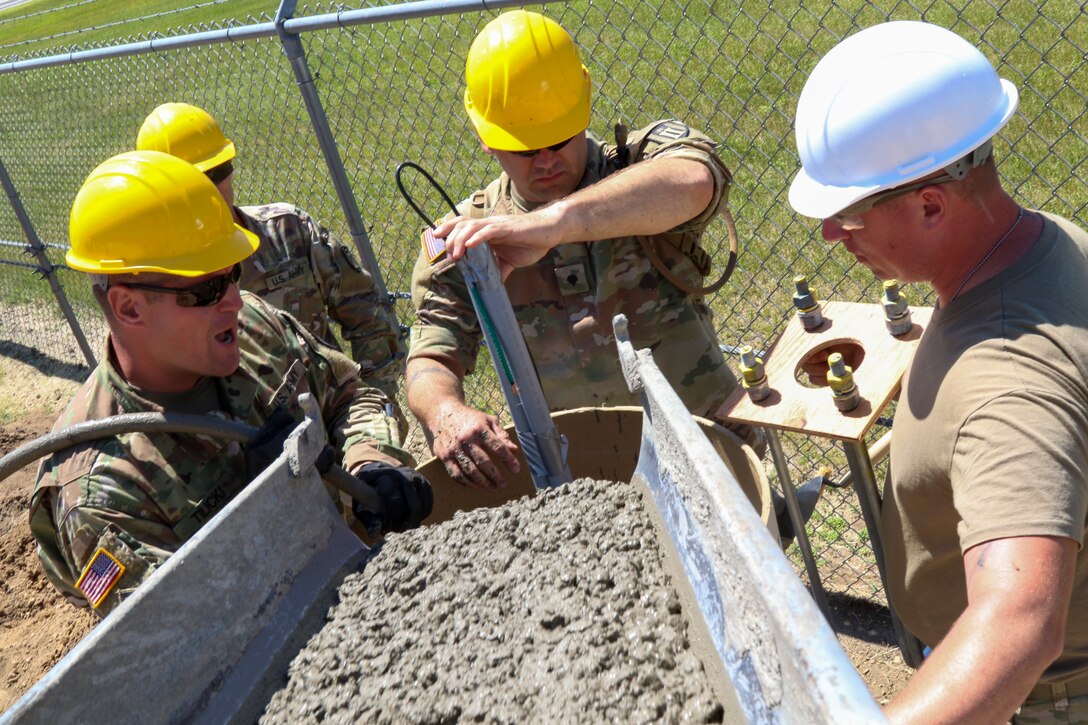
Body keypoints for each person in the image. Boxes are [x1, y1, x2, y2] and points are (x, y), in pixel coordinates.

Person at [789, 21, 1086, 723]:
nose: (833, 233)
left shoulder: (1008, 376)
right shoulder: (1045, 242)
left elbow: (1018, 625)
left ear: (931, 204)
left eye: (848, 213)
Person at [30, 150, 432, 617]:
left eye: (233, 275)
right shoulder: (103, 490)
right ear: (128, 308)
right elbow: (190, 643)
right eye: (204, 290)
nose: (235, 301)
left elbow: (350, 392)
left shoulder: (253, 330)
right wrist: (269, 511)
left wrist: (371, 460)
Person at [407, 9, 744, 489]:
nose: (545, 161)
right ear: (485, 137)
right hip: (590, 479)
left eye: (559, 140)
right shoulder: (471, 237)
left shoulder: (637, 167)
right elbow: (430, 357)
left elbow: (697, 177)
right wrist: (445, 413)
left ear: (583, 110)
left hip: (707, 445)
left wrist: (551, 225)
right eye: (525, 147)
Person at [136, 102, 405, 402]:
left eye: (218, 172)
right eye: (192, 185)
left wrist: (378, 402)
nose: (209, 193)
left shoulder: (289, 232)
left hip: (340, 423)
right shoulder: (159, 287)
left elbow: (367, 311)